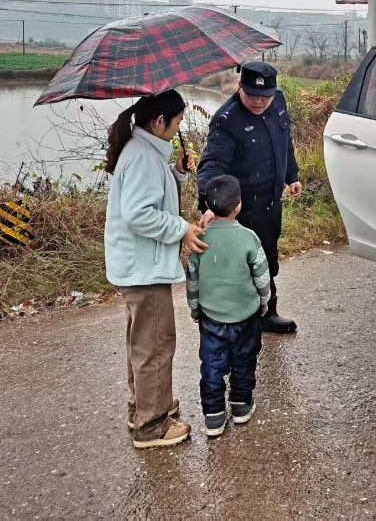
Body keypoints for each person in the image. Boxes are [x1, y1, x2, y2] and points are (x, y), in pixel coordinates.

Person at [103, 89, 209, 449]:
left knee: (143, 343)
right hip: (144, 270)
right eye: (177, 121)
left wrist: (176, 173)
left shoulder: (142, 150)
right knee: (157, 344)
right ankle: (152, 424)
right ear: (159, 121)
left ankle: (146, 405)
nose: (179, 126)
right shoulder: (143, 156)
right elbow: (139, 215)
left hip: (137, 266)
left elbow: (150, 195)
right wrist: (182, 229)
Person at [196, 61, 302, 334]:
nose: (258, 102)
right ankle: (237, 317)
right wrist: (211, 205)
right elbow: (212, 164)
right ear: (239, 86)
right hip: (242, 207)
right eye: (251, 95)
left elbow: (285, 140)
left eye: (264, 96)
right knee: (243, 262)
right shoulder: (227, 119)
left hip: (271, 200)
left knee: (267, 256)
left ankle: (266, 312)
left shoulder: (277, 101)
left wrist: (292, 175)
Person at [186, 175, 271, 437]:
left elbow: (193, 281)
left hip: (211, 318)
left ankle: (213, 416)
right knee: (244, 361)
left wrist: (195, 309)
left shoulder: (199, 240)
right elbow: (262, 277)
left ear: (209, 206)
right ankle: (241, 406)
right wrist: (264, 302)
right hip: (246, 315)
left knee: (212, 366)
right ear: (238, 206)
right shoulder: (249, 238)